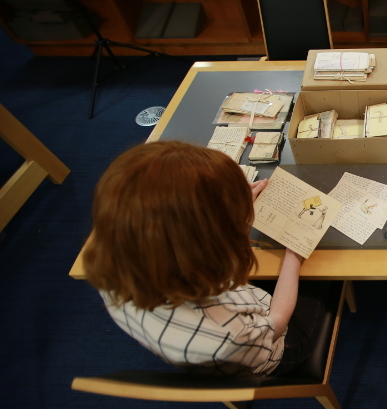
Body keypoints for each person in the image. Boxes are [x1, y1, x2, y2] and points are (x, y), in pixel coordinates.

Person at [84, 140, 329, 377]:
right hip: (280, 346)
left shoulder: (117, 274)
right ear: (204, 245)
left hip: (225, 325)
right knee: (327, 276)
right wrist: (293, 254)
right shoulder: (229, 334)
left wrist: (235, 215)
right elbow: (278, 322)